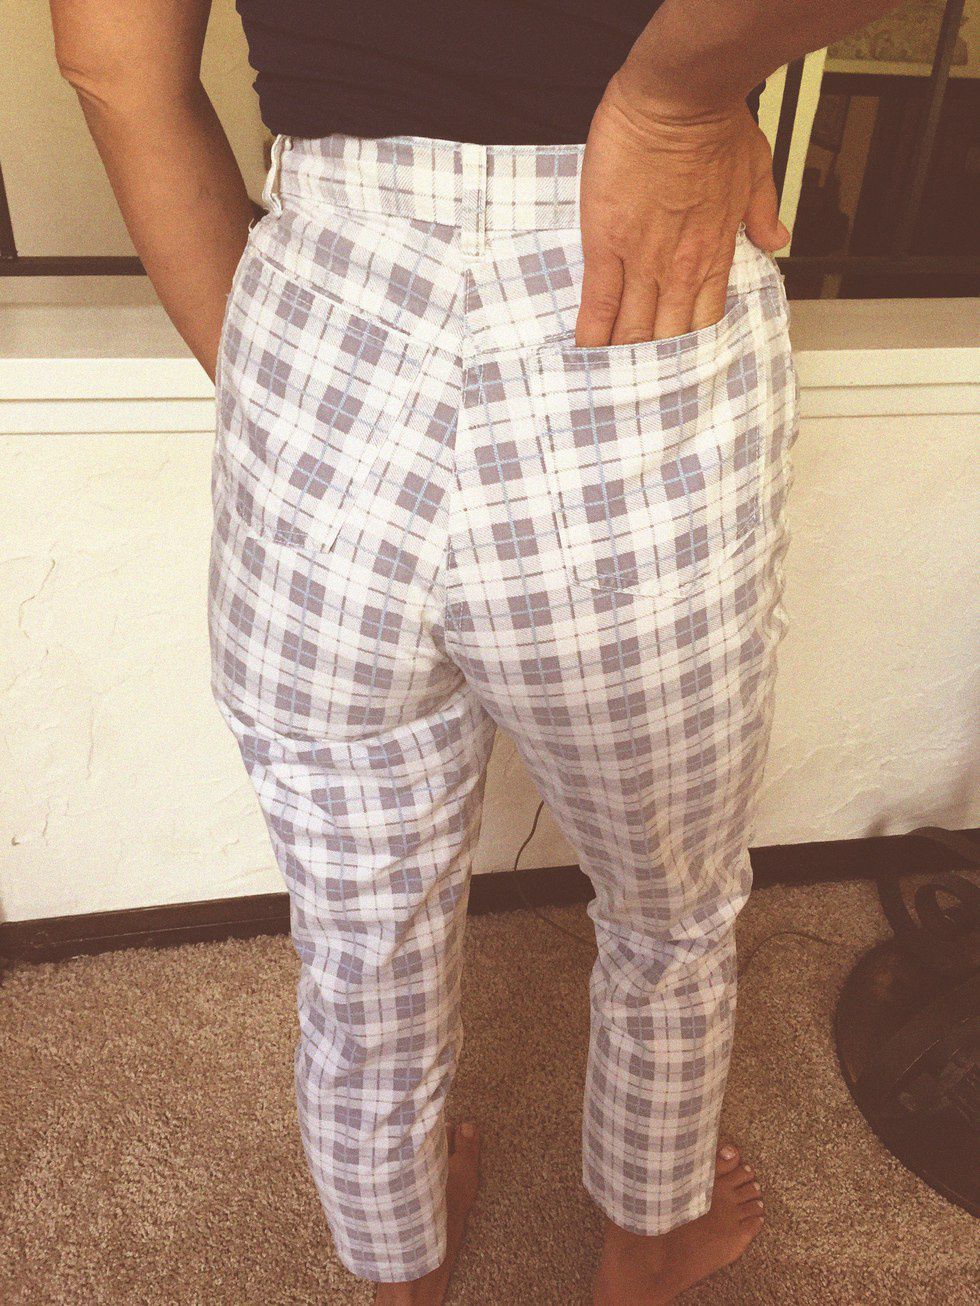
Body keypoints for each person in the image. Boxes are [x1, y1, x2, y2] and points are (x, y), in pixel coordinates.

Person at [52, 2, 902, 1302]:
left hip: (328, 288)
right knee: (669, 896)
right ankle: (647, 1236)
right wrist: (677, 90)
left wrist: (298, 401)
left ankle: (398, 1265)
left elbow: (113, 65)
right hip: (629, 269)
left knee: (359, 919)